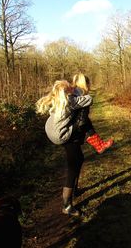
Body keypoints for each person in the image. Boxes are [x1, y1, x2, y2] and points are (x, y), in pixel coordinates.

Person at [36, 80, 93, 216]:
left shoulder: (59, 99)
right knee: (73, 165)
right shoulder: (69, 102)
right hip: (60, 134)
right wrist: (78, 92)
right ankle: (66, 206)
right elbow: (89, 99)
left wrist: (74, 91)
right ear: (66, 93)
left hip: (52, 129)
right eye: (70, 87)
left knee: (79, 158)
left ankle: (74, 190)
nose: (73, 87)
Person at [72, 73, 113, 154]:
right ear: (85, 83)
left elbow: (84, 118)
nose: (90, 85)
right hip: (69, 130)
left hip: (71, 128)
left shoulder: (76, 93)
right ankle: (99, 144)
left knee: (78, 158)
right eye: (88, 83)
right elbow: (82, 119)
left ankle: (99, 144)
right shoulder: (79, 94)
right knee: (76, 159)